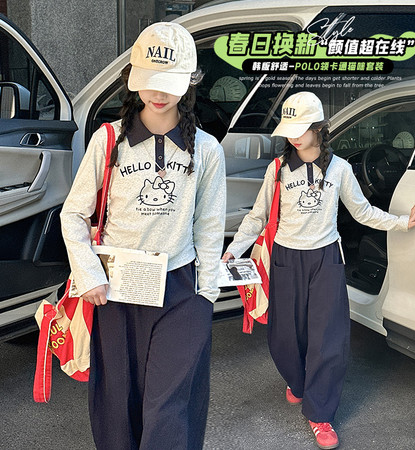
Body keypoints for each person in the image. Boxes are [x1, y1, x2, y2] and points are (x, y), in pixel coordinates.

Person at [222, 91, 415, 449]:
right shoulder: (278, 169)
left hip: (326, 259)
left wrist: (401, 223)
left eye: (301, 129)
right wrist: (233, 250)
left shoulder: (340, 169)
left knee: (329, 338)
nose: (294, 137)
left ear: (318, 128)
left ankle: (321, 413)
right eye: (289, 130)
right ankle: (298, 381)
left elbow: (362, 212)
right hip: (285, 259)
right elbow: (257, 216)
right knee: (285, 337)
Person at [61, 22, 226, 450]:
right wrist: (88, 273)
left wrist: (207, 292)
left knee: (170, 404)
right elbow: (73, 214)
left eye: (169, 83)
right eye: (150, 81)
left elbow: (210, 225)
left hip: (181, 287)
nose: (158, 93)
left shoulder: (206, 149)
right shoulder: (108, 140)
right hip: (118, 288)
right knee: (119, 400)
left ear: (190, 81)